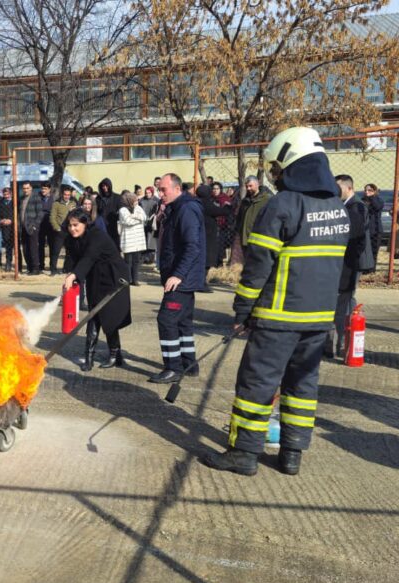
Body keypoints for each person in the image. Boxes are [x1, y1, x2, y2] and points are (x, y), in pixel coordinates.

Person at [201, 126, 348, 477]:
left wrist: (242, 309)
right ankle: (292, 453)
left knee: (257, 384)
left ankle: (245, 454)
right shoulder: (337, 208)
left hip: (278, 317)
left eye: (276, 170)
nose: (274, 176)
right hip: (319, 319)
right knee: (302, 385)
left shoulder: (282, 204)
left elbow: (258, 266)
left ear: (290, 164)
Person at [148, 173, 205, 384]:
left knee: (167, 319)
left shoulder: (186, 209)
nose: (160, 194)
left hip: (181, 279)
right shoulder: (176, 208)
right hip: (181, 277)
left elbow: (192, 246)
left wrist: (178, 275)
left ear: (177, 188)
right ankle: (189, 364)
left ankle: (173, 367)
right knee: (183, 322)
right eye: (159, 190)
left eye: (163, 189)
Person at [62, 212, 132, 371]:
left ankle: (115, 355)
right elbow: (73, 258)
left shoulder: (97, 236)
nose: (72, 229)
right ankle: (89, 357)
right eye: (70, 225)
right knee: (94, 315)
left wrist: (75, 274)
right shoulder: (71, 239)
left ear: (85, 224)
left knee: (109, 316)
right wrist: (71, 273)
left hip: (114, 278)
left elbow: (89, 257)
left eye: (76, 225)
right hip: (94, 276)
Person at [326, 175, 368, 361]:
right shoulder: (345, 206)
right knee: (343, 304)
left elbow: (354, 236)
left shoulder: (355, 207)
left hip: (347, 266)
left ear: (348, 188)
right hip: (342, 265)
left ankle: (340, 346)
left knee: (342, 306)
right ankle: (336, 345)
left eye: (338, 188)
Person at [118, 190, 148, 286]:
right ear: (129, 200)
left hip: (138, 239)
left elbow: (144, 217)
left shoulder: (138, 208)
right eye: (135, 200)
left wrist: (134, 216)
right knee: (128, 261)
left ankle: (135, 280)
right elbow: (128, 221)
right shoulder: (123, 210)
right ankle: (128, 279)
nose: (136, 202)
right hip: (128, 239)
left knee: (136, 260)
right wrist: (138, 220)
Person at [48, 186, 75, 274]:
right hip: (60, 231)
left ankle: (66, 268)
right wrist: (57, 228)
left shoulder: (73, 203)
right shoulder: (56, 204)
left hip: (70, 231)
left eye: (68, 195)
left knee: (69, 251)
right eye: (65, 194)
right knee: (56, 251)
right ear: (62, 194)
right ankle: (53, 269)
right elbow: (52, 217)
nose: (66, 196)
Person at [19, 182, 43, 276]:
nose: (25, 190)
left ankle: (36, 269)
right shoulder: (21, 198)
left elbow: (40, 213)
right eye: (24, 188)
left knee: (33, 248)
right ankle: (29, 267)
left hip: (32, 227)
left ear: (31, 188)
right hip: (23, 227)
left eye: (27, 188)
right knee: (25, 249)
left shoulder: (36, 197)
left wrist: (35, 225)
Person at [96, 178, 123, 249]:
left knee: (115, 246)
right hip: (102, 226)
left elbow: (121, 211)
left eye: (106, 186)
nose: (105, 188)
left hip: (113, 224)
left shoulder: (117, 197)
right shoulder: (98, 198)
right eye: (103, 186)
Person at [362, 184, 384, 267]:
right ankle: (366, 267)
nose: (367, 192)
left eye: (370, 190)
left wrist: (372, 197)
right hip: (365, 229)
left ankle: (372, 268)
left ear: (374, 191)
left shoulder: (378, 200)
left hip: (376, 230)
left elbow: (377, 207)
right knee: (365, 250)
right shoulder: (362, 200)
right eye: (365, 190)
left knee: (374, 250)